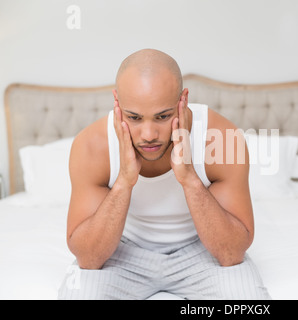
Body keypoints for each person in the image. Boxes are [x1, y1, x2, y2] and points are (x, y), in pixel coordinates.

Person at [58, 49, 270, 300]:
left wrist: (190, 179)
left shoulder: (224, 139)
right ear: (117, 103)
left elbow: (232, 253)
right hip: (122, 251)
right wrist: (124, 182)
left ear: (183, 100)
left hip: (202, 250)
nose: (148, 134)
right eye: (134, 117)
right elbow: (88, 258)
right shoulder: (92, 145)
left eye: (163, 116)